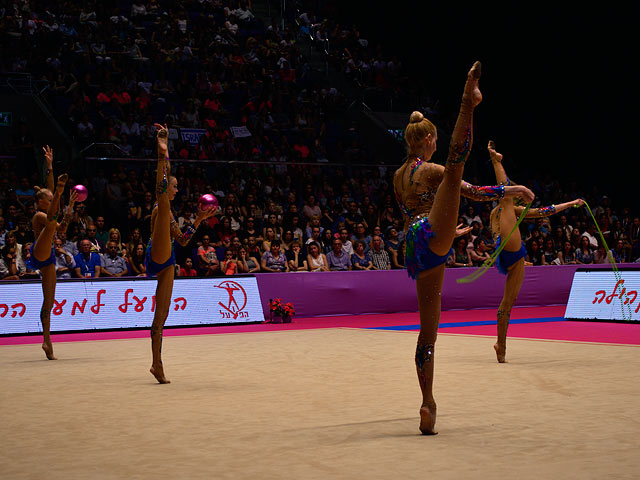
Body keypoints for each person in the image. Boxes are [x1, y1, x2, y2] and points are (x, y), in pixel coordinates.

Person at [392, 63, 535, 435]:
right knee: (456, 169)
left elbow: (415, 215)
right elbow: (474, 191)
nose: (435, 145)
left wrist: (445, 234)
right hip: (430, 233)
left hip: (416, 246)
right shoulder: (431, 168)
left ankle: (428, 402)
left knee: (427, 334)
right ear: (426, 141)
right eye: (433, 140)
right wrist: (513, 190)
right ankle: (466, 104)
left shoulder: (398, 176)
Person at [487, 141, 584, 363]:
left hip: (517, 258)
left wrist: (571, 203)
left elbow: (545, 212)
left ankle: (500, 344)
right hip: (505, 249)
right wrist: (497, 250)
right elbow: (494, 233)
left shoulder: (514, 209)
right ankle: (494, 160)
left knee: (507, 304)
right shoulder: (499, 210)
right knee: (506, 198)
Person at [145, 124, 215, 384]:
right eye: (175, 186)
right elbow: (162, 189)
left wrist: (198, 219)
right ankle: (161, 153)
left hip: (168, 261)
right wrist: (163, 153)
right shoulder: (161, 206)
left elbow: (184, 240)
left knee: (161, 316)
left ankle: (157, 363)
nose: (177, 190)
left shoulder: (171, 213)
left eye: (176, 187)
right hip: (157, 254)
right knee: (162, 201)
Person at [29, 145, 76, 359]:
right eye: (49, 199)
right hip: (37, 252)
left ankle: (47, 339)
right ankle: (59, 192)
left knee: (49, 300)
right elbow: (55, 223)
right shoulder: (39, 214)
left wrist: (49, 165)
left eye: (53, 197)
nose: (50, 202)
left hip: (48, 257)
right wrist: (62, 204)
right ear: (41, 202)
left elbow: (62, 229)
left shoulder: (49, 211)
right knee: (49, 220)